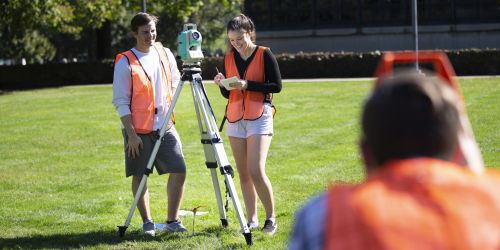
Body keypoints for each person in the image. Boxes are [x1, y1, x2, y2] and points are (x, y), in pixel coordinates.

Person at [289, 71, 500, 249]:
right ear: (460, 148)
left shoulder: (322, 216)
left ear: (364, 153)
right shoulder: (494, 202)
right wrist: (478, 182)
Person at [112, 12, 187, 236]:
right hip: (138, 129)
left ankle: (172, 221)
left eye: (153, 30)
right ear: (135, 33)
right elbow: (121, 101)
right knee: (140, 175)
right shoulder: (125, 61)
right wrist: (131, 135)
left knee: (179, 169)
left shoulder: (164, 53)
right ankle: (148, 223)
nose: (150, 36)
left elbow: (175, 79)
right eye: (145, 32)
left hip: (165, 126)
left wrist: (168, 100)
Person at [213, 14, 282, 235]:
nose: (236, 44)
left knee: (255, 170)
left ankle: (271, 219)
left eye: (240, 39)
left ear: (249, 32)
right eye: (232, 40)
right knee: (243, 173)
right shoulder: (228, 57)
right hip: (235, 119)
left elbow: (276, 86)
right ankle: (251, 220)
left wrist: (247, 84)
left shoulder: (264, 54)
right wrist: (222, 85)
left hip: (259, 116)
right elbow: (228, 94)